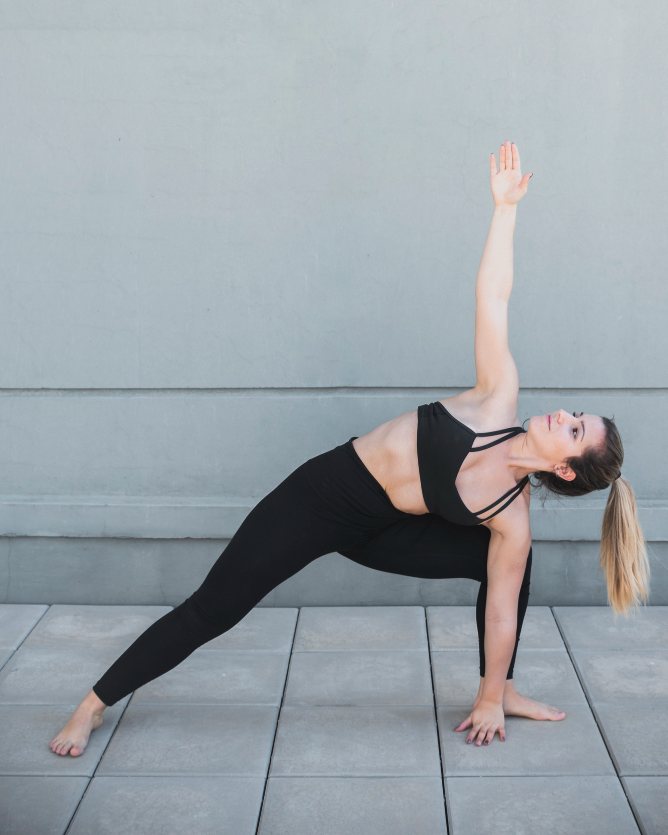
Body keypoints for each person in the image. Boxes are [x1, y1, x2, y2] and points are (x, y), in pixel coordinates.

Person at [50, 140, 650, 757]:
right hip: (326, 495)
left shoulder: (511, 516)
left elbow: (500, 614)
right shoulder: (499, 397)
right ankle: (92, 706)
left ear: (562, 466)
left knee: (511, 568)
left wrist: (491, 696)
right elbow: (493, 297)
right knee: (215, 608)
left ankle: (496, 693)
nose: (564, 416)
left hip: (385, 531)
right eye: (578, 415)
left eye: (575, 430)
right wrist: (504, 211)